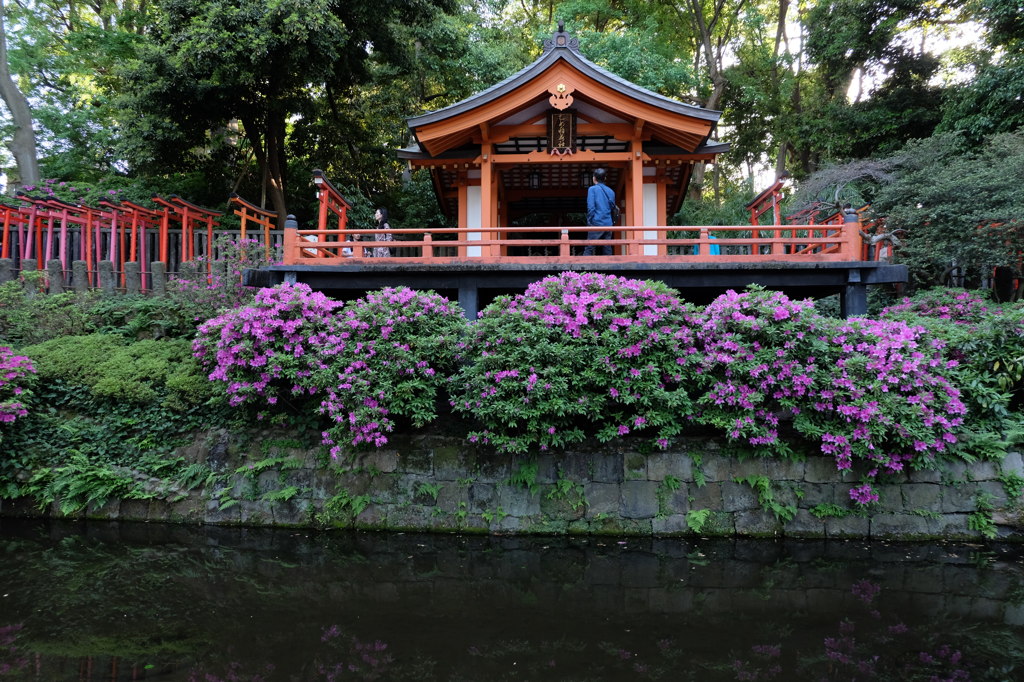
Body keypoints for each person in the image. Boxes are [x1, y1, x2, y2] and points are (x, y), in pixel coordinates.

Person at [583, 168, 615, 256]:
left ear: (594, 178)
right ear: (605, 178)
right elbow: (612, 208)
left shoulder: (592, 189)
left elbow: (591, 207)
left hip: (596, 222)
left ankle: (583, 268)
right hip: (608, 222)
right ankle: (610, 268)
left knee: (589, 247)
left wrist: (589, 221)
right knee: (607, 247)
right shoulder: (611, 191)